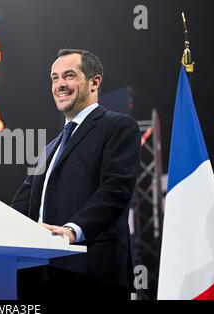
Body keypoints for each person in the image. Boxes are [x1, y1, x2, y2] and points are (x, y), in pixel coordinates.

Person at [11, 49, 141, 300]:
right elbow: (21, 205)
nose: (59, 84)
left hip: (91, 276)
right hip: (37, 277)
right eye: (54, 77)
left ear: (95, 82)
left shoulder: (118, 127)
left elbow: (115, 191)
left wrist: (72, 230)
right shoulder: (49, 148)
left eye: (69, 76)